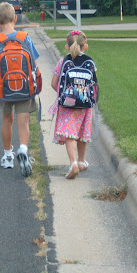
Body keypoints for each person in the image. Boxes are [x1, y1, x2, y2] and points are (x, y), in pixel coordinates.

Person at [0, 2, 40, 176]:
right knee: (23, 122)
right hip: (24, 88)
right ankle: (23, 149)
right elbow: (34, 62)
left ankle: (8, 156)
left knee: (7, 120)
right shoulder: (25, 38)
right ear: (15, 19)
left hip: (5, 90)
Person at [50, 30, 98, 179]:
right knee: (82, 132)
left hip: (67, 104)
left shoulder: (62, 62)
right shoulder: (90, 62)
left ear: (67, 47)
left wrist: (65, 94)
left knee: (69, 133)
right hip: (85, 104)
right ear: (86, 46)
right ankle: (81, 161)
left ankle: (73, 164)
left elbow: (54, 83)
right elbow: (94, 84)